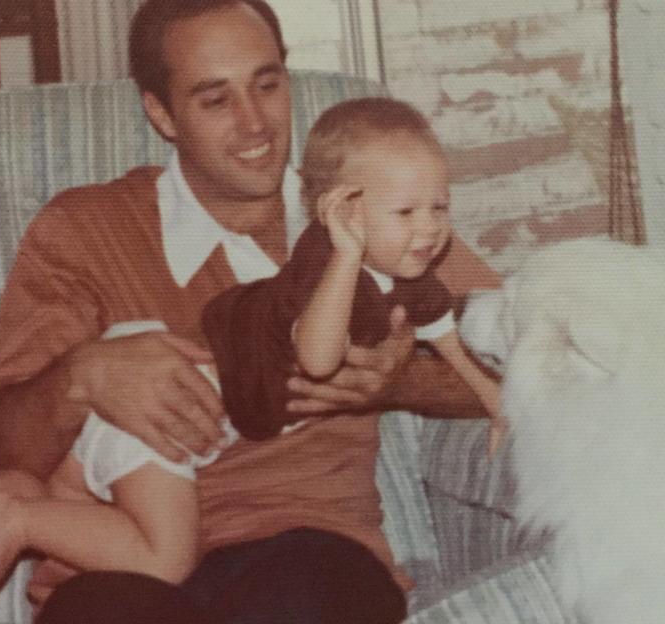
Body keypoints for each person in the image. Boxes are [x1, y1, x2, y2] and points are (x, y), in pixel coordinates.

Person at [0, 0, 502, 623]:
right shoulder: (84, 229)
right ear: (162, 115)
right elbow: (0, 449)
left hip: (312, 554)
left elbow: (529, 368)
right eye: (216, 99)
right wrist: (81, 376)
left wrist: (397, 382)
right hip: (125, 565)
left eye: (268, 85)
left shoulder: (369, 220)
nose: (256, 124)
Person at [202, 96, 506, 454]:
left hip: (266, 416)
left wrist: (499, 406)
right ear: (346, 214)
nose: (430, 227)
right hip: (222, 361)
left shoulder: (408, 266)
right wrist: (347, 256)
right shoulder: (324, 261)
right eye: (405, 212)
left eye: (439, 207)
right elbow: (318, 362)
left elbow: (448, 341)